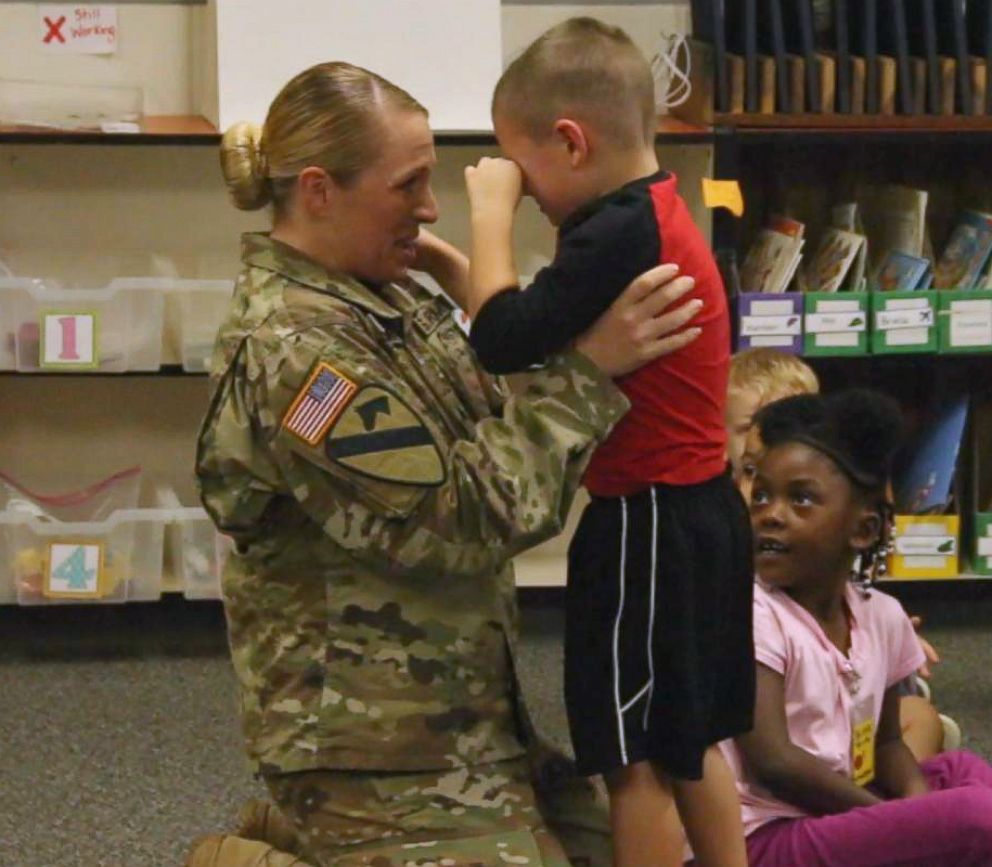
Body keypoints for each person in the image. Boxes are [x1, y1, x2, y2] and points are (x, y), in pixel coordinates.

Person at [189, 60, 705, 867]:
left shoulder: (388, 296)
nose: (430, 209)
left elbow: (499, 415)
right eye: (408, 186)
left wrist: (499, 307)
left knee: (645, 851)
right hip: (370, 747)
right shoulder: (298, 355)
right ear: (319, 191)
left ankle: (310, 841)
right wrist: (587, 372)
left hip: (465, 717)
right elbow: (466, 519)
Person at [463, 18, 753, 867]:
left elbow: (501, 338)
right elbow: (542, 321)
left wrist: (487, 216)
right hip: (702, 513)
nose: (526, 191)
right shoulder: (653, 207)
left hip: (646, 525)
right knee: (687, 741)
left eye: (525, 169)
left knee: (632, 763)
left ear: (571, 142)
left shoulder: (610, 232)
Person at [709, 388, 992, 867]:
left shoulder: (881, 615)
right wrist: (896, 821)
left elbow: (885, 743)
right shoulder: (751, 609)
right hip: (766, 834)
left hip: (834, 804)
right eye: (761, 497)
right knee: (973, 815)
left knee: (959, 770)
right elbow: (773, 761)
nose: (770, 515)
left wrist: (917, 811)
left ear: (862, 531)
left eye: (800, 499)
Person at [725, 347, 958, 762]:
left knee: (921, 720)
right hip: (776, 723)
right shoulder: (735, 544)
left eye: (799, 492)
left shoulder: (831, 532)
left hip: (839, 704)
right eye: (754, 477)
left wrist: (885, 639)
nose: (771, 508)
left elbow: (848, 602)